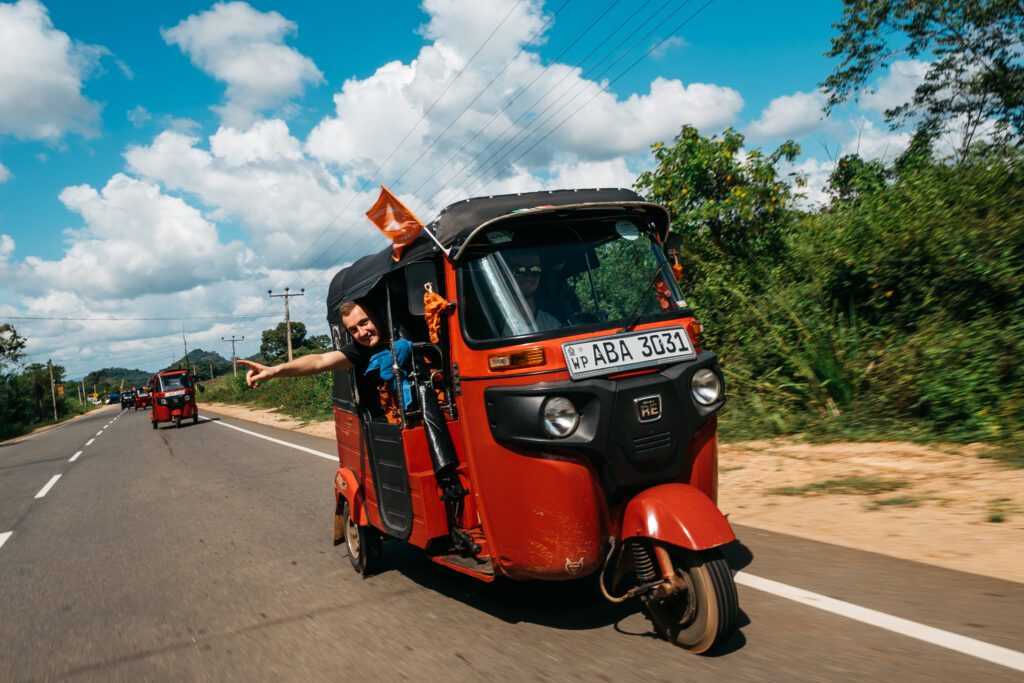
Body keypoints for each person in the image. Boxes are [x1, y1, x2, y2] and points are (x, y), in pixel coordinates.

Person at [237, 301, 387, 388]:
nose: (361, 333)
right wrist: (274, 371)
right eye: (353, 329)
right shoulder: (359, 349)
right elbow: (319, 361)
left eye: (364, 322)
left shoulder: (403, 332)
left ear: (376, 317)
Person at [506, 251, 562, 332]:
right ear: (504, 274)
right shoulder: (492, 322)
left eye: (535, 270)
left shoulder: (552, 324)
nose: (528, 276)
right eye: (519, 270)